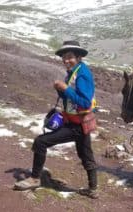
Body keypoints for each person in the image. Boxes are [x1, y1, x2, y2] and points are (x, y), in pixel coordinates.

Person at [14, 40, 99, 199]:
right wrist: (61, 90)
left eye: (70, 57)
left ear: (78, 57)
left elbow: (85, 102)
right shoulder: (75, 71)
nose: (66, 60)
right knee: (85, 155)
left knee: (41, 142)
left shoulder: (83, 74)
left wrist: (65, 88)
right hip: (78, 123)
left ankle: (34, 179)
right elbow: (70, 98)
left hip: (77, 125)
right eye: (64, 57)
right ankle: (93, 189)